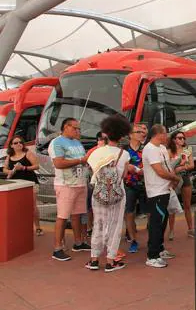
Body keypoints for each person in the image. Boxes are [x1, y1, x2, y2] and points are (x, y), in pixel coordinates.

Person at [85, 115, 132, 273]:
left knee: (98, 224)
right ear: (121, 135)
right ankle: (110, 260)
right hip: (118, 194)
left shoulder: (96, 153)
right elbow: (124, 175)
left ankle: (94, 259)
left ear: (105, 133)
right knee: (114, 225)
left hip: (98, 193)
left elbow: (92, 171)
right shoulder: (124, 154)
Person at [49, 118, 90, 262]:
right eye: (75, 128)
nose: (78, 131)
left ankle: (78, 242)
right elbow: (58, 163)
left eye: (79, 129)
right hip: (66, 184)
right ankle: (57, 248)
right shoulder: (57, 142)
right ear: (66, 127)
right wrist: (80, 161)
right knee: (62, 216)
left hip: (80, 183)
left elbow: (83, 159)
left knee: (77, 214)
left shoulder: (77, 142)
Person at [142, 124, 181, 268]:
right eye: (165, 133)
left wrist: (172, 179)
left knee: (162, 221)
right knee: (156, 223)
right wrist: (175, 178)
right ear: (158, 134)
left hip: (165, 190)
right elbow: (159, 171)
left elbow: (167, 167)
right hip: (156, 191)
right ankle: (152, 256)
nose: (167, 136)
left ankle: (159, 248)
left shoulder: (162, 148)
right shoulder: (150, 149)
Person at [3, 135, 42, 236]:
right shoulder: (9, 156)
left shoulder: (28, 153)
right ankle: (20, 226)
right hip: (16, 185)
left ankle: (37, 227)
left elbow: (37, 165)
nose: (19, 144)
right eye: (16, 143)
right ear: (11, 146)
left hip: (30, 183)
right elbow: (4, 169)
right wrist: (11, 171)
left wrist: (23, 168)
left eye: (20, 142)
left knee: (33, 206)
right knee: (17, 206)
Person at [123, 123, 147, 254]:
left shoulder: (146, 148)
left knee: (149, 213)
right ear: (130, 135)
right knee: (129, 213)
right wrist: (128, 168)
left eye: (142, 132)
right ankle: (133, 240)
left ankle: (153, 241)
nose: (141, 134)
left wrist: (138, 170)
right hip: (129, 186)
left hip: (145, 185)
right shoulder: (123, 150)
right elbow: (119, 166)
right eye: (138, 132)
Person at [167, 131, 195, 240]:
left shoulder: (187, 150)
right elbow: (167, 166)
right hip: (173, 179)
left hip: (185, 177)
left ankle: (190, 229)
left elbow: (192, 165)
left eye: (183, 138)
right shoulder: (169, 151)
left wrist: (181, 167)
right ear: (174, 139)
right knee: (172, 205)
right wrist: (178, 167)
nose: (182, 140)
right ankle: (171, 230)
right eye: (179, 138)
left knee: (187, 205)